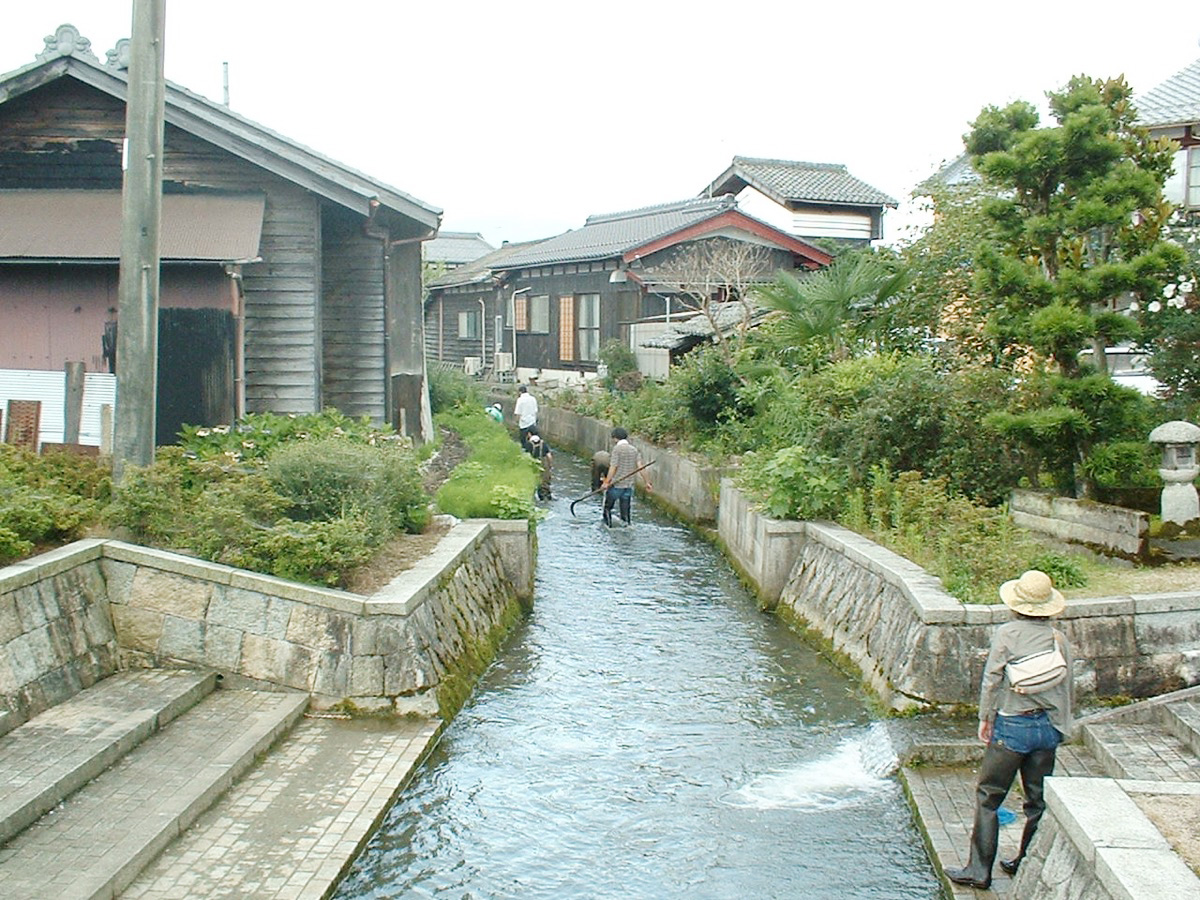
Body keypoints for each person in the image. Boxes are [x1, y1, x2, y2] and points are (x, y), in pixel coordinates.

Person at [946, 569, 1074, 890]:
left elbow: (992, 679)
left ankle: (979, 871)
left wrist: (985, 718)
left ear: (1016, 604)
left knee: (989, 797)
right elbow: (1066, 687)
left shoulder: (1008, 633)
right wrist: (1061, 727)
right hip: (1048, 727)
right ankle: (1023, 862)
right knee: (1036, 800)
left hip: (1013, 727)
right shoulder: (1059, 638)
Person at [600, 426, 652, 527]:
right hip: (628, 486)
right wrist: (647, 482)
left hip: (616, 485)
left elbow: (613, 467)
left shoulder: (617, 449)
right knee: (625, 514)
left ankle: (608, 527)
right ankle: (627, 527)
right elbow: (641, 467)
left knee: (607, 509)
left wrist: (606, 482)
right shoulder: (634, 450)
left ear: (615, 438)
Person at [524, 426, 553, 500]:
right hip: (543, 465)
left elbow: (525, 456)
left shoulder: (528, 444)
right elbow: (549, 456)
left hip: (533, 465)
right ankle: (546, 498)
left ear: (529, 434)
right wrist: (550, 466)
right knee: (544, 484)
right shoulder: (543, 443)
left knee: (532, 483)